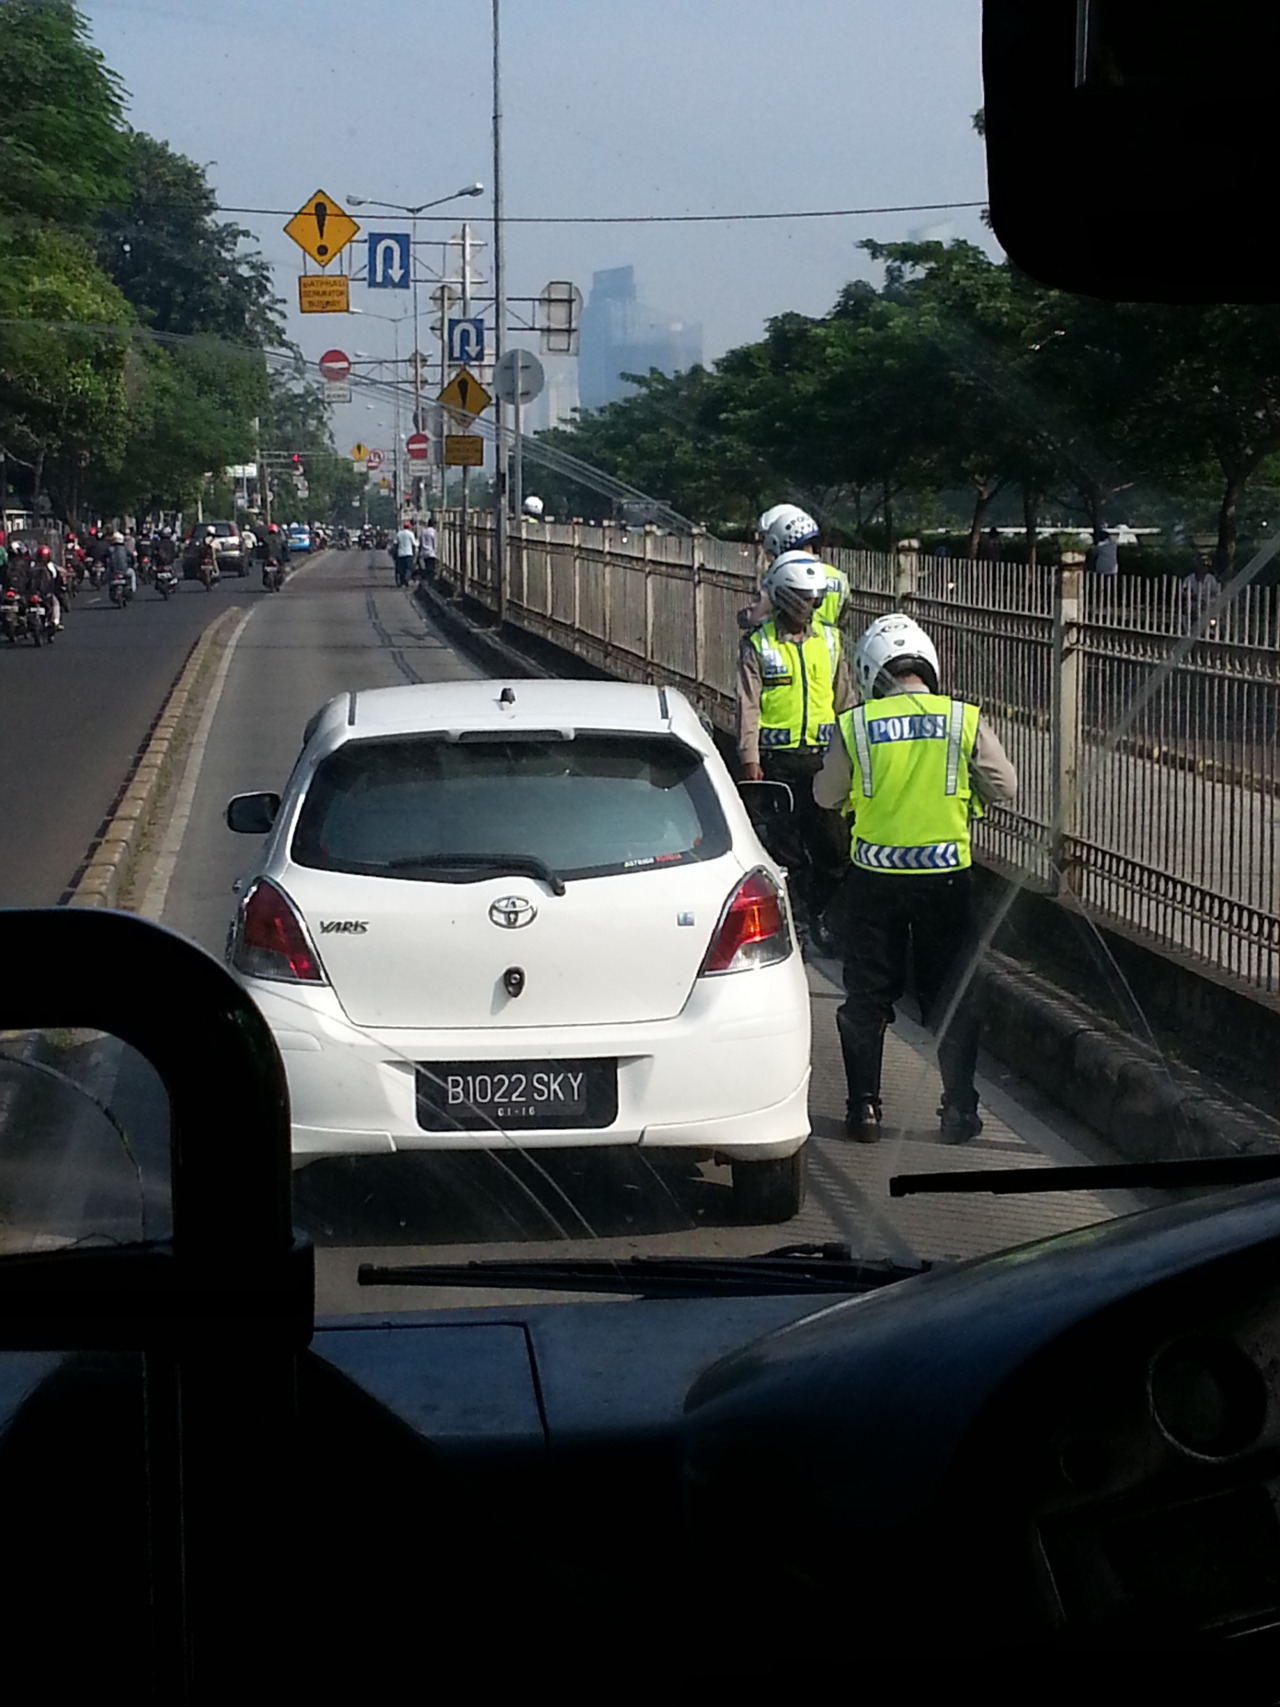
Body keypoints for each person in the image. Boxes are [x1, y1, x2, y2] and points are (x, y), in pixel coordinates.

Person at [814, 611, 1018, 1144]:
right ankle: (957, 1110)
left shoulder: (856, 725)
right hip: (946, 882)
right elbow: (1006, 786)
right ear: (926, 666)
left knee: (867, 997)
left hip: (873, 882)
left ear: (868, 671)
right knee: (950, 996)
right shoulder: (961, 719)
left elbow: (825, 795)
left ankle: (864, 1110)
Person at [737, 549, 854, 953]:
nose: (814, 606)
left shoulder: (832, 641)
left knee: (834, 849)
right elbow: (748, 706)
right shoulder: (759, 644)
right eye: (807, 598)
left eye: (817, 598)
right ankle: (798, 924)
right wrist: (749, 757)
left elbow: (846, 703)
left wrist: (853, 756)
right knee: (786, 853)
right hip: (778, 766)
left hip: (824, 761)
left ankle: (823, 915)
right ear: (786, 596)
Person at [105, 530, 136, 597]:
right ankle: (133, 588)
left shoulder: (109, 549)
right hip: (124, 570)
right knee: (132, 573)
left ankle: (110, 588)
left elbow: (104, 558)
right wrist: (134, 564)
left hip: (113, 571)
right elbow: (132, 557)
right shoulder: (124, 549)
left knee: (107, 575)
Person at [393, 520, 417, 587]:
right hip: (408, 553)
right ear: (409, 527)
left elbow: (395, 544)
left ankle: (402, 582)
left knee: (401, 569)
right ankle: (406, 579)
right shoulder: (410, 534)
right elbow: (414, 544)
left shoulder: (399, 534)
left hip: (400, 554)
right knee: (409, 568)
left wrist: (395, 553)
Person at [418, 513, 438, 579]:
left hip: (424, 553)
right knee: (431, 568)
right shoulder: (433, 532)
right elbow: (435, 542)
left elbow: (420, 542)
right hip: (431, 553)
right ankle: (430, 580)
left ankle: (427, 579)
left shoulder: (423, 531)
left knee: (427, 566)